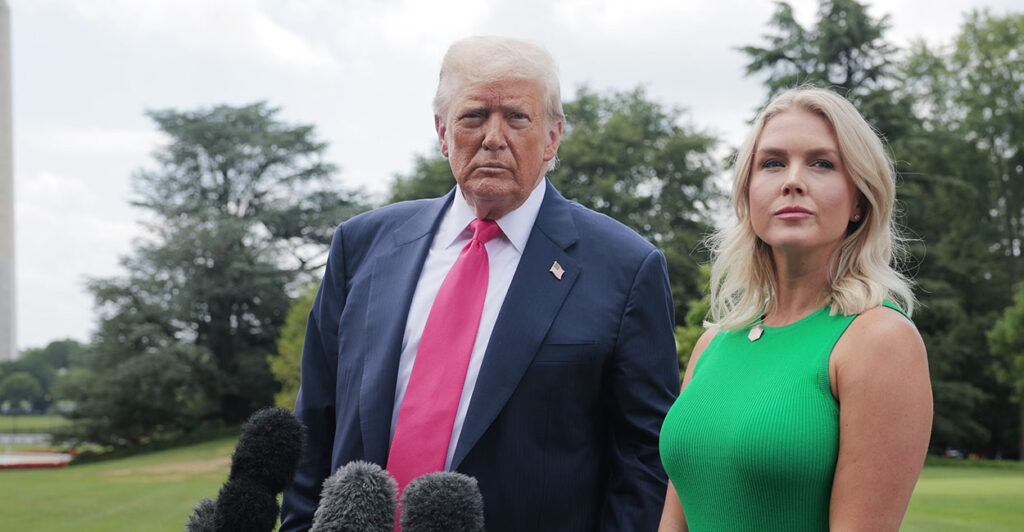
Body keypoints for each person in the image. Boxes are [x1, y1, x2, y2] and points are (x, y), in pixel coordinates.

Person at [280, 36, 680, 532]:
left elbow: (645, 459)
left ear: (553, 136)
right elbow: (314, 426)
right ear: (442, 132)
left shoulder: (626, 268)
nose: (493, 137)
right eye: (473, 116)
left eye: (517, 117)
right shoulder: (361, 247)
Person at [658, 87, 933, 531]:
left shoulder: (880, 340)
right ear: (748, 193)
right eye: (772, 163)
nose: (793, 181)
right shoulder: (712, 344)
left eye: (822, 163)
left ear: (859, 201)